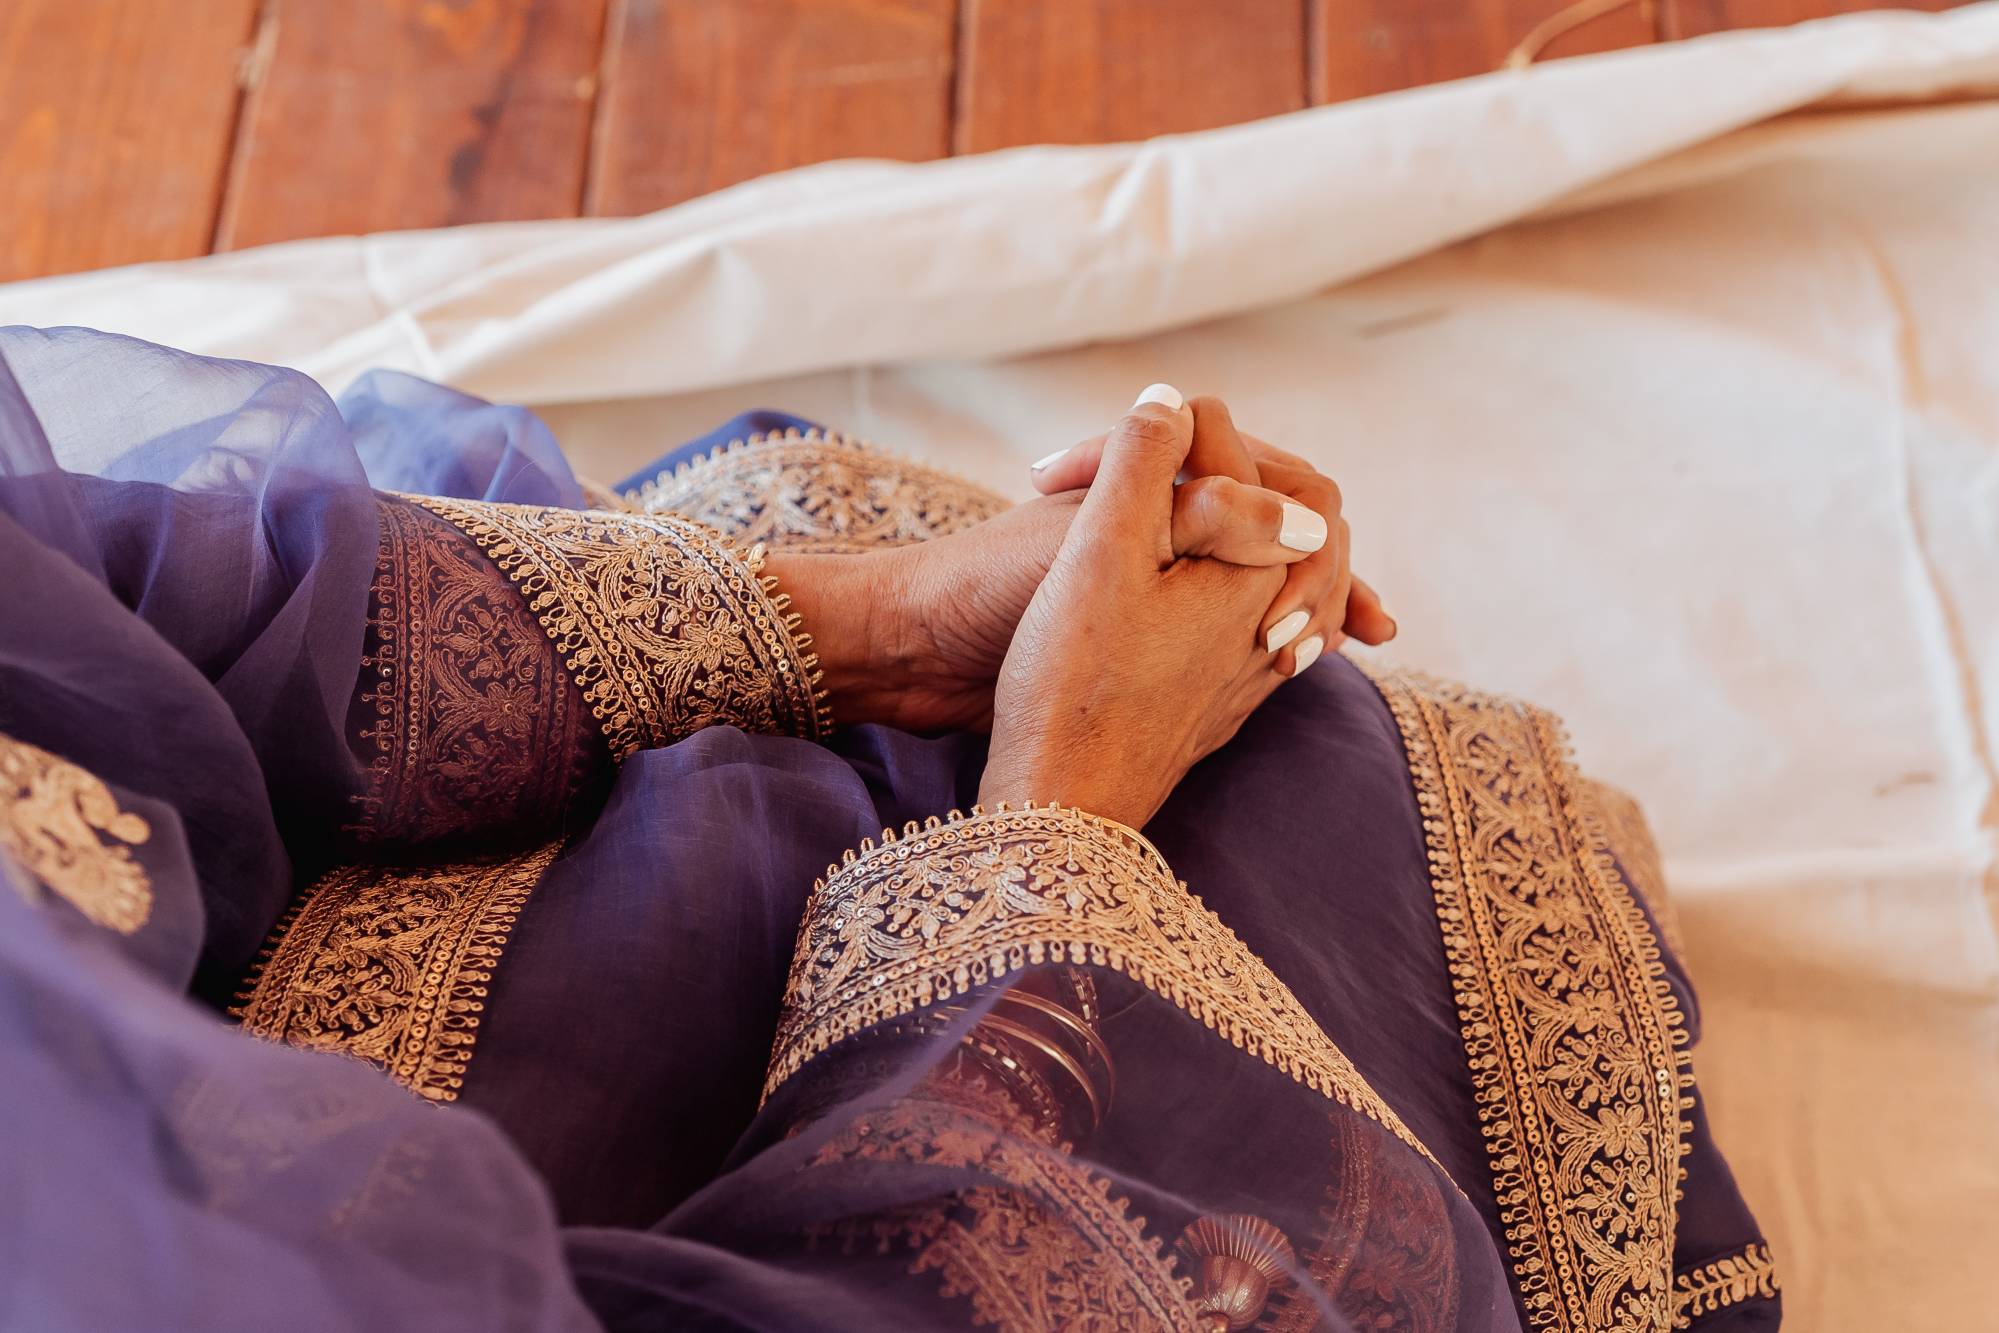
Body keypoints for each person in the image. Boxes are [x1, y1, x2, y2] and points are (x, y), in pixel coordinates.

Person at [0, 325, 1776, 1331]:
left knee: (1271, 745)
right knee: (1277, 886)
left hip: (277, 905)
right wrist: (1055, 821)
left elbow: (108, 610)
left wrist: (880, 624)